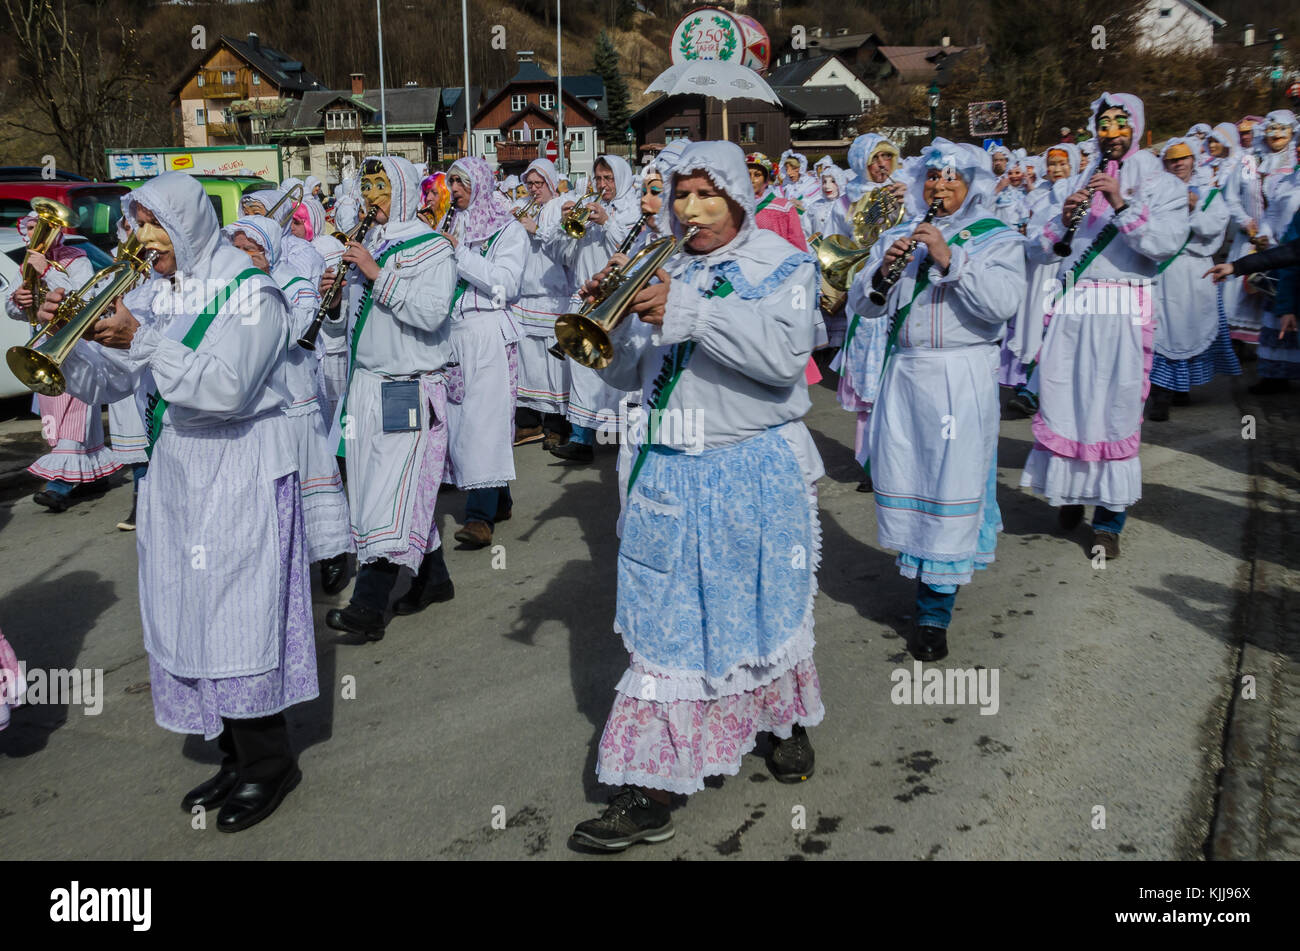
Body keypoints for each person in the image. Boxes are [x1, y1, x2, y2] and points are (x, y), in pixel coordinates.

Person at [569, 140, 824, 852]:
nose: (691, 209)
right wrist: (611, 319)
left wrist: (689, 311)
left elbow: (783, 363)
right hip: (670, 470)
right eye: (681, 194)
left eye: (707, 194)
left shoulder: (782, 266)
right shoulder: (666, 263)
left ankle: (784, 721)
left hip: (751, 466)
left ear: (739, 195)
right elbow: (628, 378)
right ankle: (648, 788)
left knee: (763, 608)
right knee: (667, 630)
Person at [46, 171, 316, 832]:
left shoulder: (254, 293)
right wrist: (75, 339)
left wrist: (139, 337)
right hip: (180, 474)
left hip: (241, 467)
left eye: (153, 224)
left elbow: (226, 388)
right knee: (194, 612)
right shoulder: (164, 290)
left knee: (238, 617)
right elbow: (113, 383)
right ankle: (233, 752)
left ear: (189, 223)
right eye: (137, 225)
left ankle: (269, 761)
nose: (142, 239)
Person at [849, 139, 1024, 663]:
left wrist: (950, 258)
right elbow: (863, 303)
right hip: (906, 374)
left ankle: (934, 612)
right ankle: (922, 577)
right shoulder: (899, 235)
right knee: (912, 480)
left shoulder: (998, 239)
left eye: (951, 179)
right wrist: (884, 273)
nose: (939, 186)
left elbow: (1003, 304)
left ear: (971, 187)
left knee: (950, 484)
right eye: (932, 178)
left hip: (959, 375)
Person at [1019, 92, 1188, 560]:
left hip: (1122, 308)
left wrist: (1120, 204)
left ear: (1136, 125)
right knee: (1067, 401)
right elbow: (1037, 248)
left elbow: (1163, 243)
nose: (1110, 133)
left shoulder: (1158, 181)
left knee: (1113, 407)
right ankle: (1070, 492)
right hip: (1074, 304)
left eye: (1120, 123)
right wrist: (1063, 223)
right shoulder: (1077, 176)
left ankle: (1109, 520)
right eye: (1103, 124)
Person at [322, 155, 459, 641]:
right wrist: (335, 302)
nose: (371, 197)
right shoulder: (369, 247)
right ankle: (433, 577)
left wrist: (378, 275)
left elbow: (430, 314)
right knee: (380, 490)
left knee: (389, 495)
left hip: (407, 385)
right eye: (366, 187)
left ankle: (368, 606)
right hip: (365, 386)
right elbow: (348, 328)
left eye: (380, 186)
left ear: (401, 191)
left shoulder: (434, 250)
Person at [225, 215, 353, 593]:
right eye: (238, 250)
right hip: (256, 406)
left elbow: (300, 333)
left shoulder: (296, 283)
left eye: (252, 250)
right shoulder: (228, 287)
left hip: (296, 401)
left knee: (312, 481)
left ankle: (331, 553)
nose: (245, 257)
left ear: (270, 251)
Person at [5, 211, 122, 513]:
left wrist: (48, 271)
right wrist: (19, 301)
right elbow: (14, 311)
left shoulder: (76, 258)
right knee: (58, 415)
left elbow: (83, 300)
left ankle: (58, 483)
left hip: (76, 346)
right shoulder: (25, 264)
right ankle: (93, 476)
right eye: (30, 227)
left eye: (40, 227)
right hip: (45, 347)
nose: (34, 233)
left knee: (75, 410)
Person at [441, 155, 525, 549]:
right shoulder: (451, 224)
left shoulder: (509, 231)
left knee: (485, 425)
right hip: (455, 333)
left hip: (490, 332)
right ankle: (500, 498)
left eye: (461, 183)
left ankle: (478, 518)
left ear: (480, 184)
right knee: (461, 423)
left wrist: (459, 254)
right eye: (451, 183)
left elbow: (506, 285)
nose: (454, 190)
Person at [543, 155, 643, 463]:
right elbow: (561, 254)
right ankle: (581, 437)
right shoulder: (587, 213)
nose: (602, 185)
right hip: (583, 296)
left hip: (616, 301)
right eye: (598, 179)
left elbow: (635, 251)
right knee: (582, 372)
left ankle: (622, 435)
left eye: (608, 178)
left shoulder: (633, 211)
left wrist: (608, 223)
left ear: (622, 179)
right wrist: (564, 227)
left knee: (618, 374)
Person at [1147, 137, 1238, 419]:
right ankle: (1161, 394)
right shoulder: (1153, 194)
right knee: (1162, 329)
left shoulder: (1210, 195)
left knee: (1190, 326)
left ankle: (1181, 388)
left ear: (1192, 161)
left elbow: (1214, 229)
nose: (1178, 164)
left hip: (1195, 270)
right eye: (1172, 160)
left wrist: (1194, 207)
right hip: (1163, 270)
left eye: (1183, 159)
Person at [1005, 142, 1082, 418]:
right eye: (1052, 164)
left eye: (1062, 164)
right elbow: (1032, 228)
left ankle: (1041, 389)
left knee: (1058, 329)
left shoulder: (1080, 192)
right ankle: (1028, 382)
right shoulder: (1038, 195)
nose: (1056, 169)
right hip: (1039, 268)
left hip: (1068, 271)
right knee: (1035, 325)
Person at [511, 158, 573, 451]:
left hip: (552, 295)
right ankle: (528, 423)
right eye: (530, 183)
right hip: (524, 295)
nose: (534, 189)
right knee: (527, 365)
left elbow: (565, 251)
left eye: (539, 184)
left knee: (552, 367)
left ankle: (556, 426)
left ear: (550, 184)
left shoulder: (561, 207)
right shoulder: (524, 204)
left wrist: (535, 229)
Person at [745, 153, 807, 250]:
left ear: (766, 179)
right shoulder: (736, 207)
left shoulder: (784, 208)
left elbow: (797, 242)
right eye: (747, 174)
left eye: (757, 175)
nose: (751, 180)